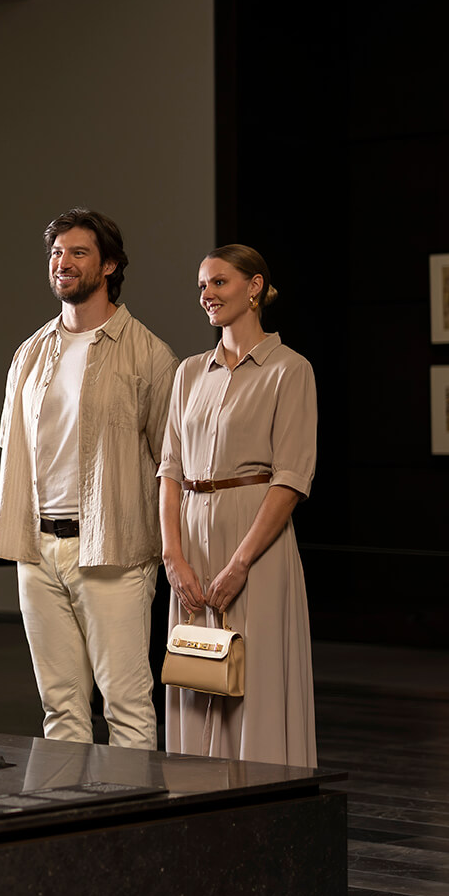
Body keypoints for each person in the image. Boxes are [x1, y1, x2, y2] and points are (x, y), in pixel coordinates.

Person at [0, 209, 177, 750]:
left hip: (115, 551)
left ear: (110, 265)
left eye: (78, 252)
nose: (62, 263)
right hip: (38, 547)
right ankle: (69, 827)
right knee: (60, 708)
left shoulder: (149, 354)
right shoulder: (29, 353)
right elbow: (15, 448)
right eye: (56, 253)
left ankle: (132, 829)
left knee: (126, 705)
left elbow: (171, 463)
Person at [159, 244, 317, 766]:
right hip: (192, 542)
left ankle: (262, 798)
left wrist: (240, 563)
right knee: (195, 670)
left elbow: (289, 479)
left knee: (255, 675)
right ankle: (194, 792)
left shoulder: (289, 370)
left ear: (254, 289)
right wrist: (172, 557)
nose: (206, 295)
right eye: (202, 285)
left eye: (219, 283)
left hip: (254, 544)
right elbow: (170, 471)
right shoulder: (187, 374)